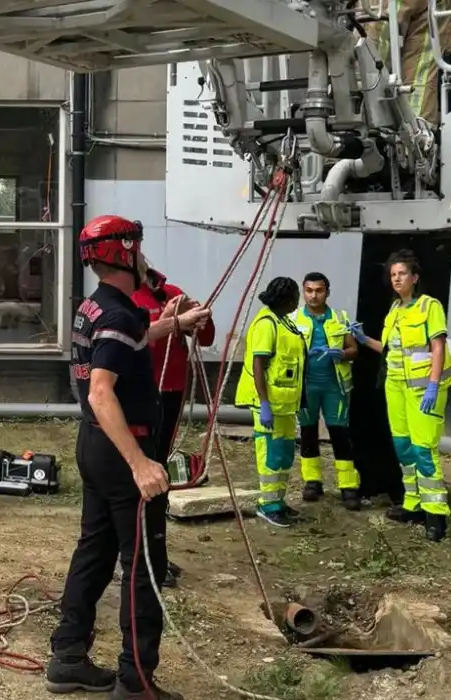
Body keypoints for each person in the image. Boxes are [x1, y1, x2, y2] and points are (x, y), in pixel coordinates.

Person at [47, 214, 208, 700]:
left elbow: (135, 336)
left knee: (94, 550)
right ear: (123, 254)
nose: (143, 258)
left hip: (95, 447)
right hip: (123, 449)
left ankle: (68, 656)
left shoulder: (98, 307)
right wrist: (141, 462)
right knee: (143, 565)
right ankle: (136, 682)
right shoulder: (117, 314)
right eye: (136, 250)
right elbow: (101, 392)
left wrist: (176, 324)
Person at [349, 250, 451, 542]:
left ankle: (436, 515)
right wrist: (362, 339)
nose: (396, 279)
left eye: (402, 274)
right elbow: (389, 350)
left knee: (424, 449)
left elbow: (437, 347)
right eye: (393, 275)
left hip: (424, 390)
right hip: (395, 387)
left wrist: (433, 385)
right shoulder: (395, 309)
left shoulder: (428, 306)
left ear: (415, 277)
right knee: (403, 447)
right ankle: (413, 504)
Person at [131, 257, 216, 587]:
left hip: (172, 392)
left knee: (160, 473)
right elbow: (140, 347)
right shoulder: (129, 302)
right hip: (144, 394)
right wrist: (171, 321)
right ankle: (142, 559)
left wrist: (200, 317)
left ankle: (157, 556)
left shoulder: (172, 293)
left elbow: (205, 339)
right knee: (147, 475)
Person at [234, 277, 306, 528]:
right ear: (286, 298)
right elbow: (258, 364)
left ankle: (278, 500)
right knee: (271, 455)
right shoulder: (266, 324)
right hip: (269, 404)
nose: (298, 301)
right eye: (296, 296)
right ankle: (267, 505)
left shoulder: (284, 321)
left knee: (285, 453)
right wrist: (263, 403)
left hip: (286, 404)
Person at [291, 272, 361, 510]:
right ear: (303, 292)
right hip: (305, 386)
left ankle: (348, 485)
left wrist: (341, 354)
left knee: (340, 434)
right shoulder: (293, 319)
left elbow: (353, 349)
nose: (313, 295)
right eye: (309, 290)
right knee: (308, 433)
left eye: (319, 290)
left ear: (327, 292)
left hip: (334, 386)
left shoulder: (340, 318)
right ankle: (312, 481)